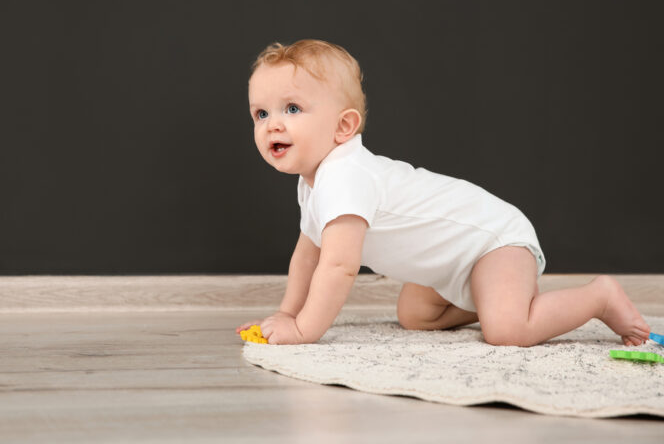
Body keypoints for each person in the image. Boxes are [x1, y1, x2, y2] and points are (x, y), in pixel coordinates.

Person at [236, 39, 650, 348]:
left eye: (292, 109)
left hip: (492, 241)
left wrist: (304, 328)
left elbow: (339, 266)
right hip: (453, 264)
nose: (272, 124)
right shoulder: (313, 183)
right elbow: (308, 256)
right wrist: (286, 312)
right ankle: (497, 296)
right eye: (261, 113)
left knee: (507, 332)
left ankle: (599, 297)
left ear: (344, 127)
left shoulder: (347, 175)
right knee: (414, 315)